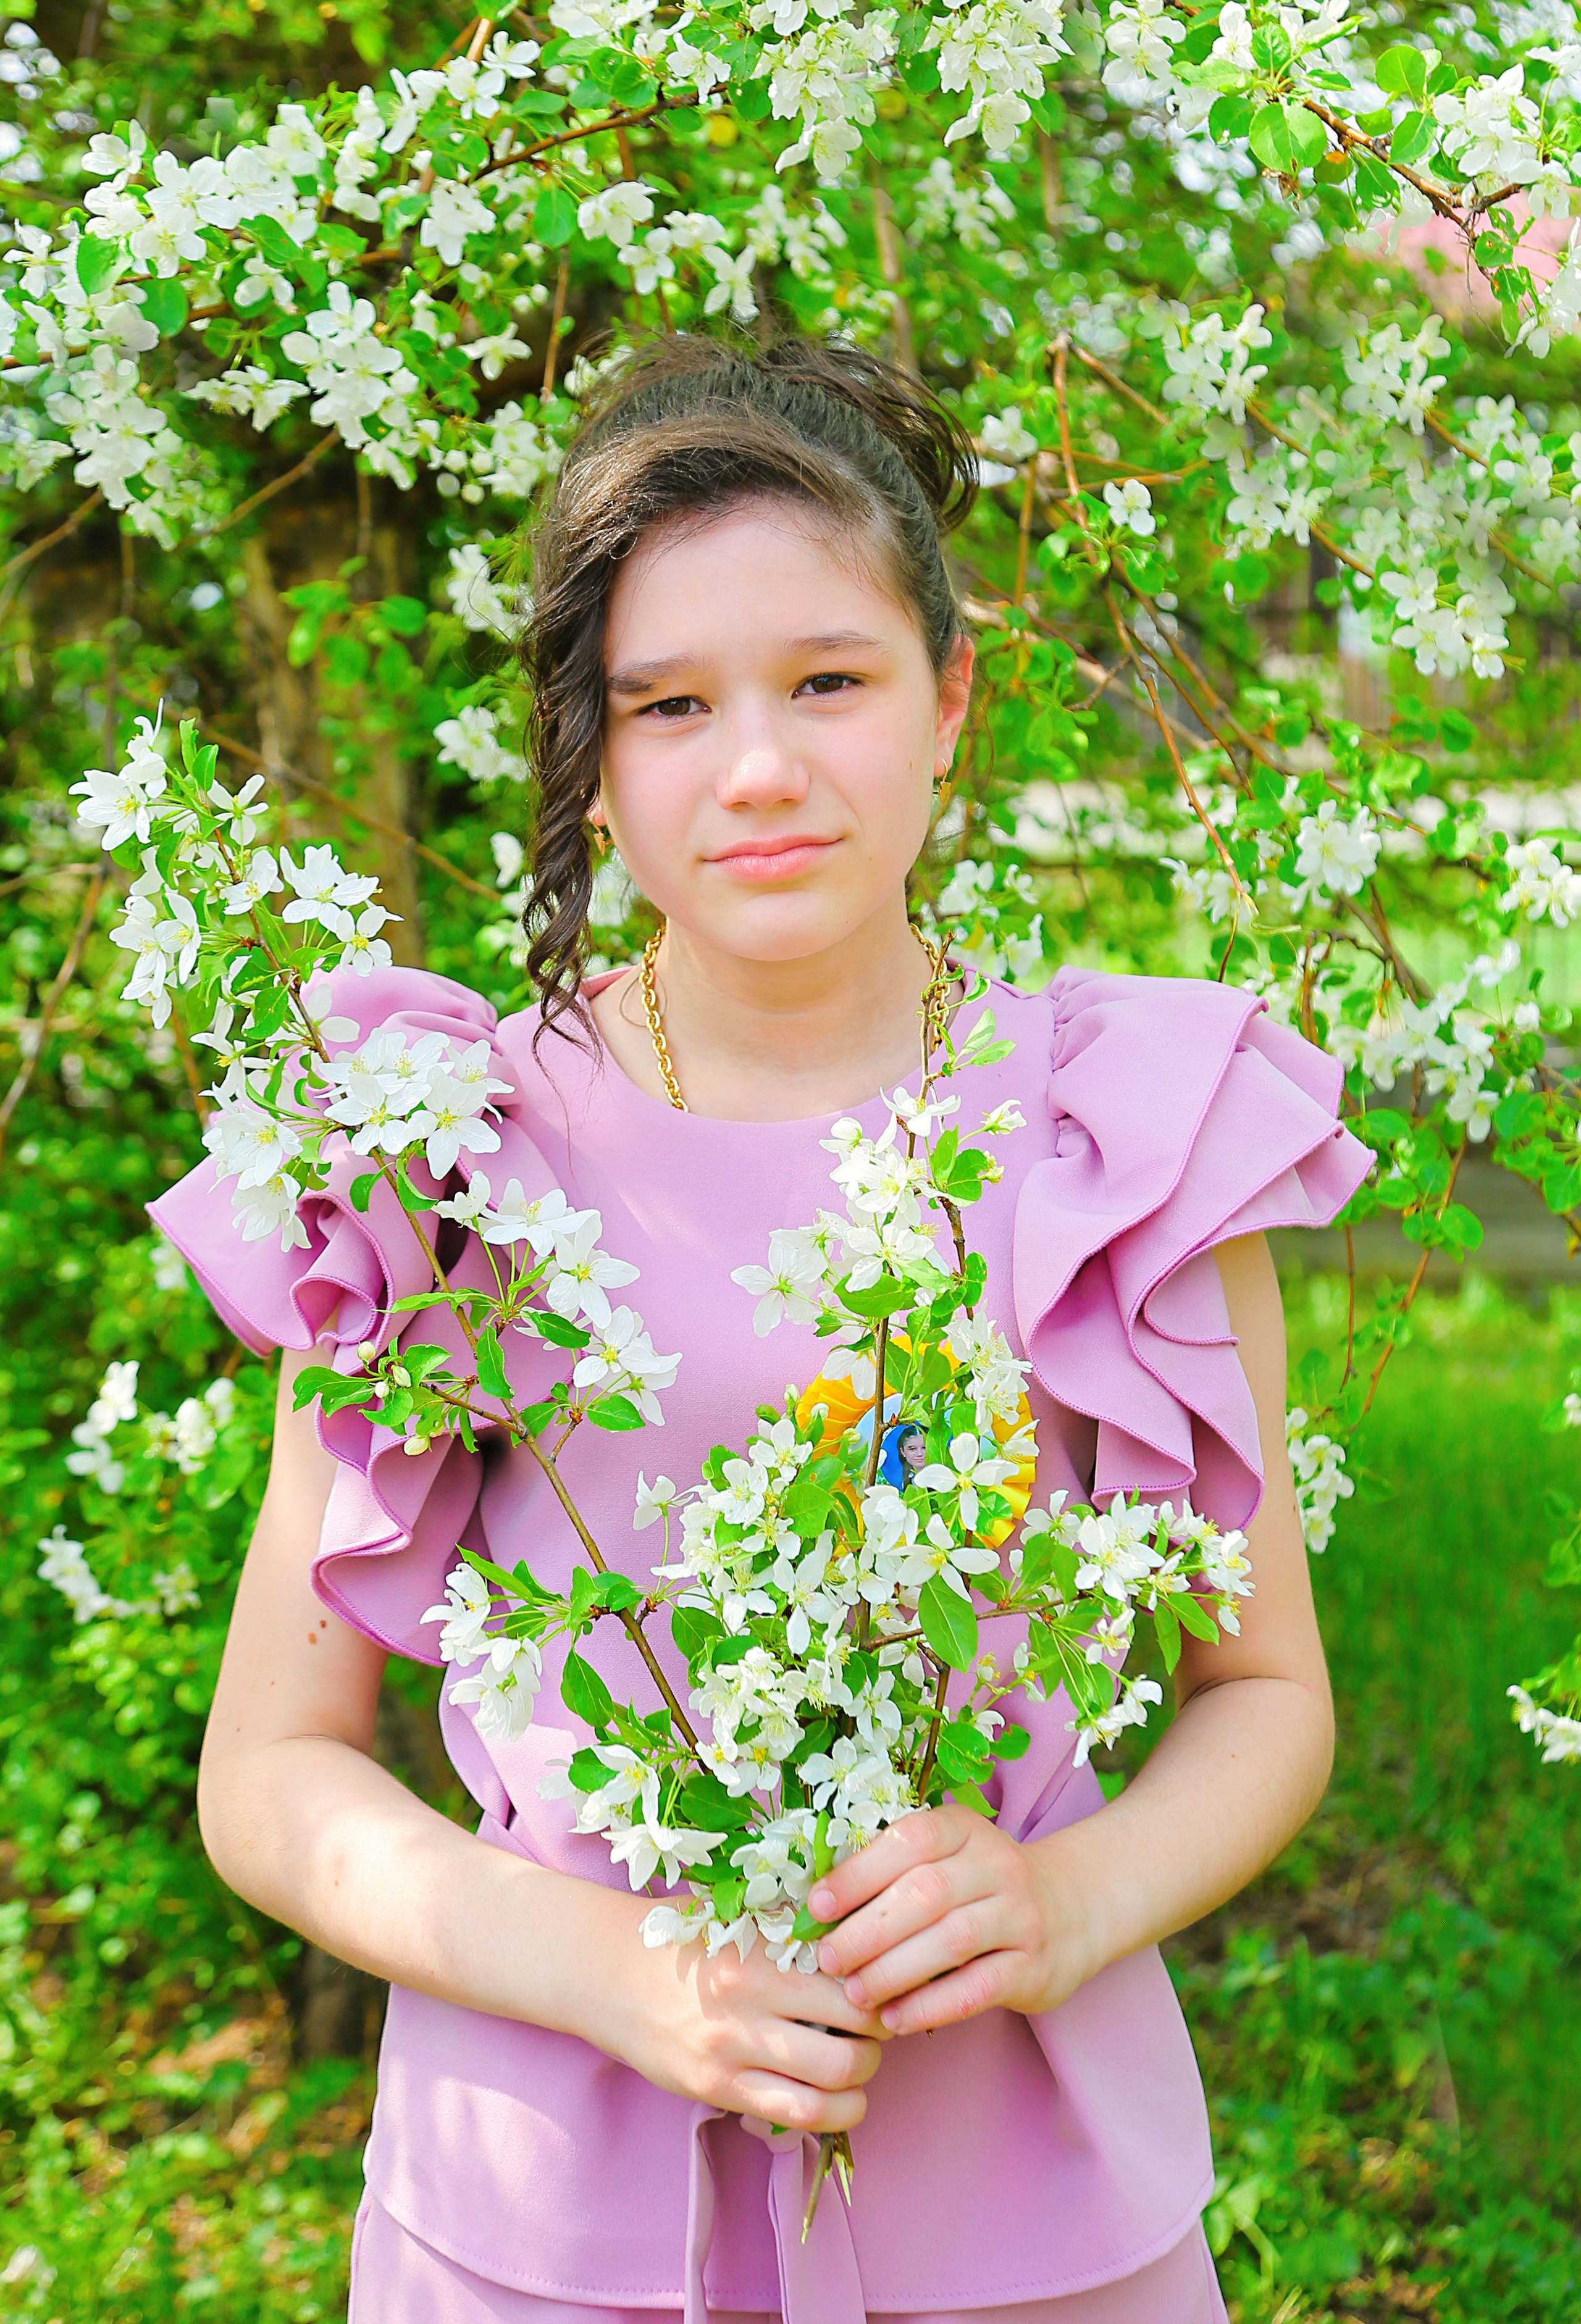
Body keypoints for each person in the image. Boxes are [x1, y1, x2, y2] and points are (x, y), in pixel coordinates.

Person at [151, 335, 1373, 2324]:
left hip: (1025, 2211)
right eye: (670, 705)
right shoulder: (431, 1154)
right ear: (591, 755)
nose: (762, 769)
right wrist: (610, 1974)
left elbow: (1269, 1694)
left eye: (830, 679)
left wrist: (1066, 1901)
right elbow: (273, 1774)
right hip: (540, 2211)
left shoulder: (1124, 1138)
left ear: (951, 696)